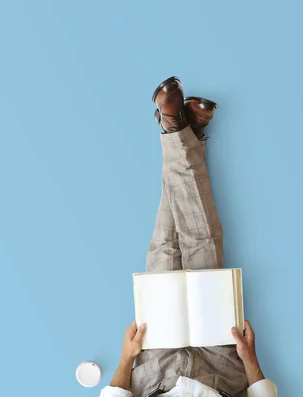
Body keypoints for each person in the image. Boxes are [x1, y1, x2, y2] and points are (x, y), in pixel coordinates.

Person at [99, 77, 278, 397]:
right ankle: (181, 130)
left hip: (156, 363)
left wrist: (126, 355)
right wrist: (250, 358)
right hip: (220, 362)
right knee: (203, 239)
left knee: (164, 247)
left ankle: (183, 131)